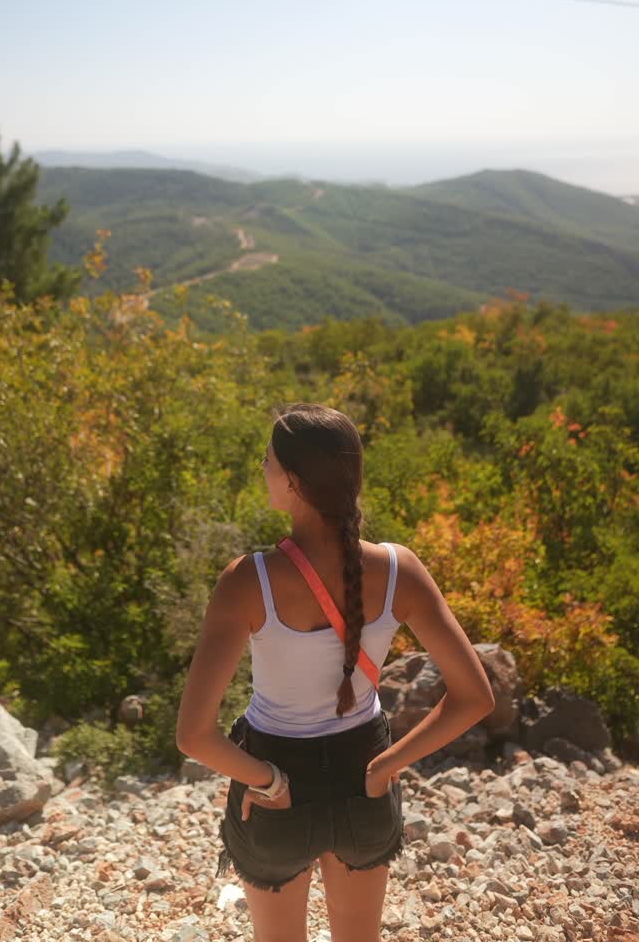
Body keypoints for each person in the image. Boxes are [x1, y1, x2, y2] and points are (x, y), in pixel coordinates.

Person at [176, 403, 495, 942]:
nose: (262, 467)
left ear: (294, 482)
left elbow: (193, 736)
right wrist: (385, 766)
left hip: (273, 775)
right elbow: (475, 697)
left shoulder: (247, 581)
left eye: (269, 460)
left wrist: (269, 780)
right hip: (364, 766)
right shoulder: (400, 570)